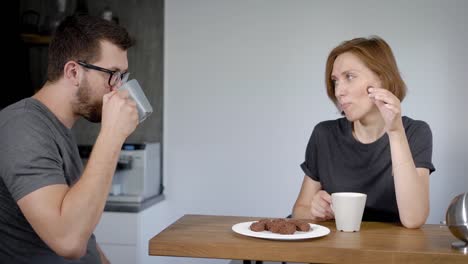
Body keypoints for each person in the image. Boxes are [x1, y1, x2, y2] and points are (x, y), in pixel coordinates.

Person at [0, 15, 138, 263]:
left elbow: (85, 237)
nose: (118, 88)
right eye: (112, 75)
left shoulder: (58, 128)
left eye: (122, 77)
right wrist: (112, 134)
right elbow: (69, 241)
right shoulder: (22, 127)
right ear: (74, 72)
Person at [292, 36, 435, 228]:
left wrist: (395, 132)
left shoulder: (415, 132)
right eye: (335, 81)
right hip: (336, 252)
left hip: (389, 254)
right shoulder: (324, 134)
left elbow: (414, 219)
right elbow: (299, 210)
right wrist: (315, 211)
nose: (338, 91)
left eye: (349, 77)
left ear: (382, 78)